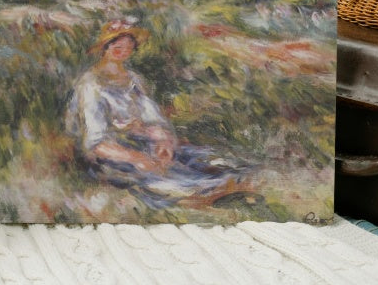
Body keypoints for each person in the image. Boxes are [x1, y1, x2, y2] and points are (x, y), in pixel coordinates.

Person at [65, 19, 249, 209]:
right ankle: (203, 193)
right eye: (116, 45)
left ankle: (226, 182)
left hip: (140, 143)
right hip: (110, 156)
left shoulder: (134, 80)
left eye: (129, 46)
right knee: (163, 178)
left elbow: (152, 118)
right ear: (105, 47)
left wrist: (163, 140)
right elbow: (97, 144)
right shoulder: (90, 84)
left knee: (195, 157)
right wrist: (139, 158)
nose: (123, 50)